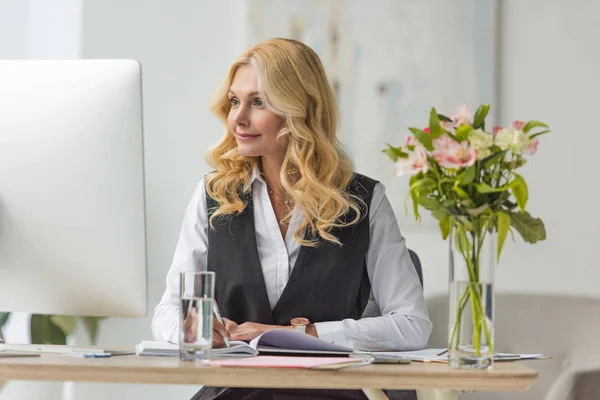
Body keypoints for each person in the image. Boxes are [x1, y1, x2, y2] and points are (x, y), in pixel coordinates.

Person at [152, 38, 432, 400]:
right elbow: (168, 311)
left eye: (258, 102)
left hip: (330, 395)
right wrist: (197, 331)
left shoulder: (363, 200)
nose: (238, 117)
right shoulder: (213, 196)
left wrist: (308, 334)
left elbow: (412, 325)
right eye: (235, 101)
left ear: (300, 109)